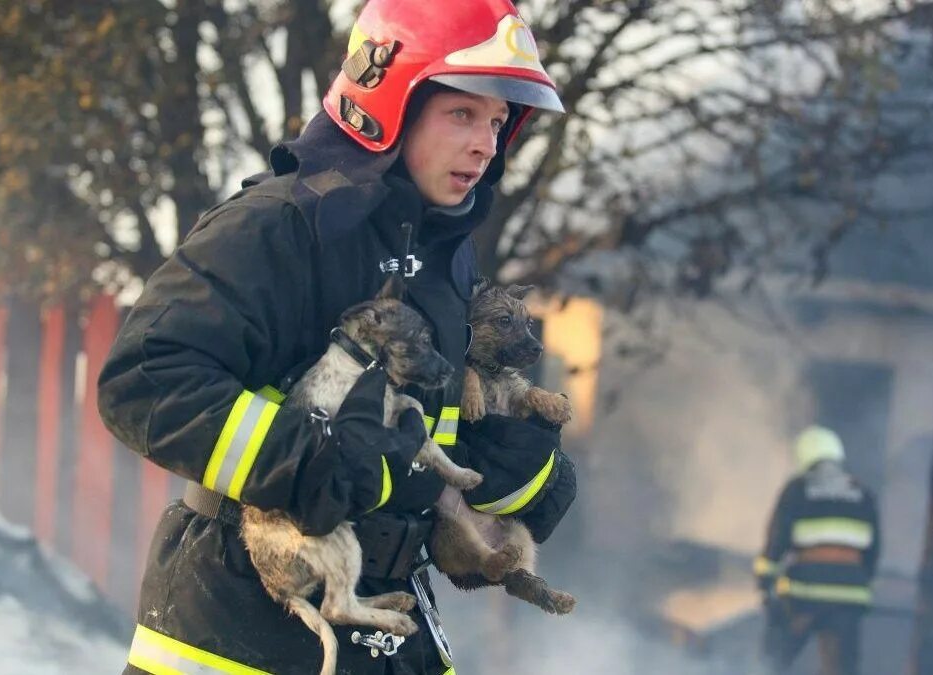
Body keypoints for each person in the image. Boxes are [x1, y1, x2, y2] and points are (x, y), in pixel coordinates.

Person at [96, 1, 576, 673]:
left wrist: (519, 476)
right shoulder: (280, 225)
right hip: (240, 625)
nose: (485, 144)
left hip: (387, 622)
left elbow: (410, 445)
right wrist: (308, 462)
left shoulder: (446, 255)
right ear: (388, 100)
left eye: (498, 121)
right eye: (462, 114)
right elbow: (145, 378)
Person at [753, 425, 880, 675]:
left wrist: (765, 582)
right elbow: (873, 551)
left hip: (805, 593)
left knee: (772, 661)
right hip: (849, 596)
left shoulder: (798, 489)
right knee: (842, 669)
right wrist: (859, 581)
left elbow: (777, 541)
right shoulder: (863, 493)